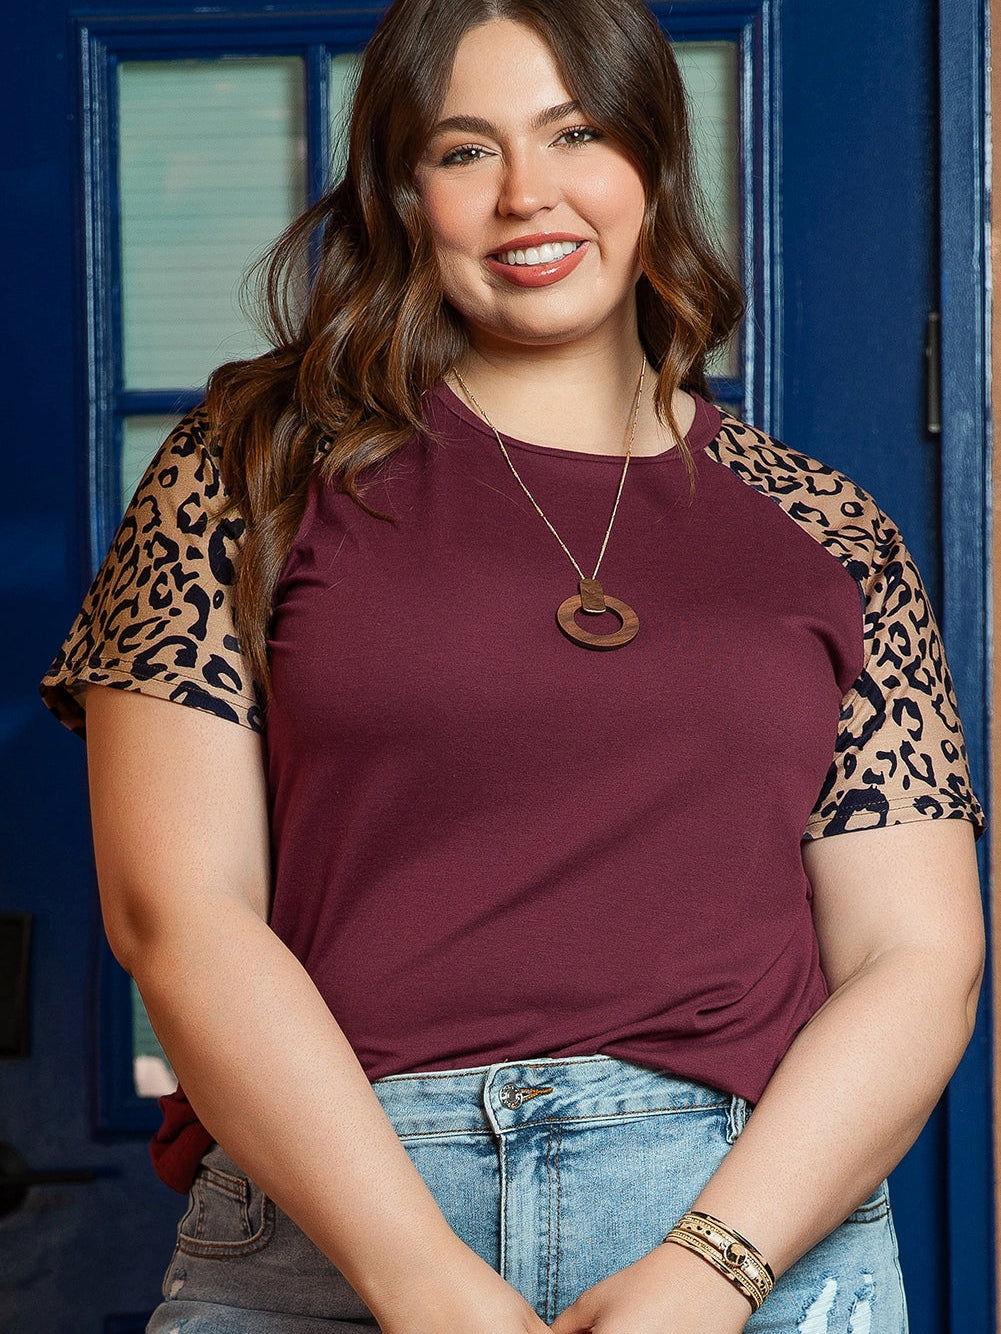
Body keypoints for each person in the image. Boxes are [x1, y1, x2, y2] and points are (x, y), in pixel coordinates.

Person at [42, 0, 985, 1330]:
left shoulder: (826, 527)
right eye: (464, 149)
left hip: (748, 1232)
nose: (526, 193)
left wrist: (712, 1266)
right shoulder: (251, 464)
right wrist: (416, 1274)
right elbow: (176, 913)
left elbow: (916, 956)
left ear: (652, 164)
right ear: (402, 193)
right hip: (334, 1230)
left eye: (575, 133)